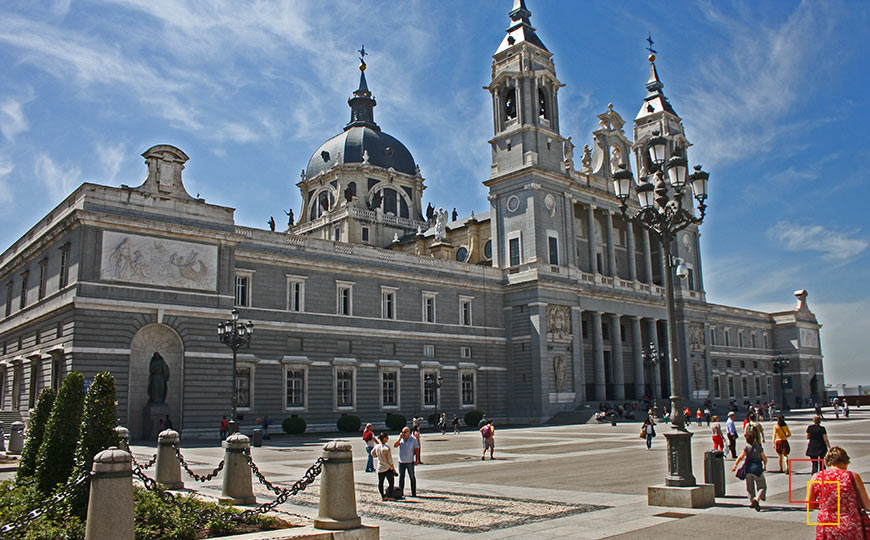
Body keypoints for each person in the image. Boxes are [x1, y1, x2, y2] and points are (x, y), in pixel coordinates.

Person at [807, 447, 870, 540]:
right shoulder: (852, 476)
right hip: (850, 524)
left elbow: (809, 505)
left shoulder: (816, 477)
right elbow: (867, 505)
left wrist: (826, 504)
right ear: (845, 461)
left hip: (826, 525)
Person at [732, 429, 767, 511]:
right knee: (762, 486)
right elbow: (764, 458)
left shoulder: (746, 448)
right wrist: (765, 465)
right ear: (755, 439)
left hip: (748, 469)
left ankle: (752, 502)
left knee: (750, 487)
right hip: (757, 469)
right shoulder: (759, 448)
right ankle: (757, 499)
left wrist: (735, 465)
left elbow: (741, 457)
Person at [394, 427, 419, 497]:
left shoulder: (413, 439)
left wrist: (417, 459)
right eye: (402, 432)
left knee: (412, 477)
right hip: (401, 461)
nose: (403, 434)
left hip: (410, 461)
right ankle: (400, 493)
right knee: (401, 477)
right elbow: (395, 445)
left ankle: (413, 493)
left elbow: (416, 449)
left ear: (409, 432)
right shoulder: (401, 439)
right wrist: (399, 439)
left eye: (404, 432)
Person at [373, 432, 397, 500]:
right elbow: (390, 459)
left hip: (380, 467)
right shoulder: (387, 448)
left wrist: (377, 456)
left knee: (381, 482)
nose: (388, 438)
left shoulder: (377, 446)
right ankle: (390, 495)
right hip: (387, 467)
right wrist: (393, 468)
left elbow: (372, 453)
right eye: (386, 437)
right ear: (384, 438)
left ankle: (383, 496)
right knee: (391, 482)